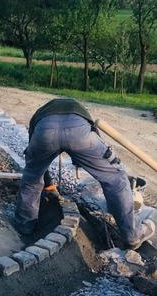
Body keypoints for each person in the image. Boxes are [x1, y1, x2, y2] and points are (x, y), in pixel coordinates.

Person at [14, 97, 155, 249]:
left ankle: (25, 226)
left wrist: (48, 186)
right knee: (115, 178)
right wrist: (80, 160)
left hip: (45, 132)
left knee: (32, 178)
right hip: (79, 132)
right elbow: (95, 144)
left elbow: (35, 163)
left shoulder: (38, 117)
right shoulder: (81, 112)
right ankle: (132, 235)